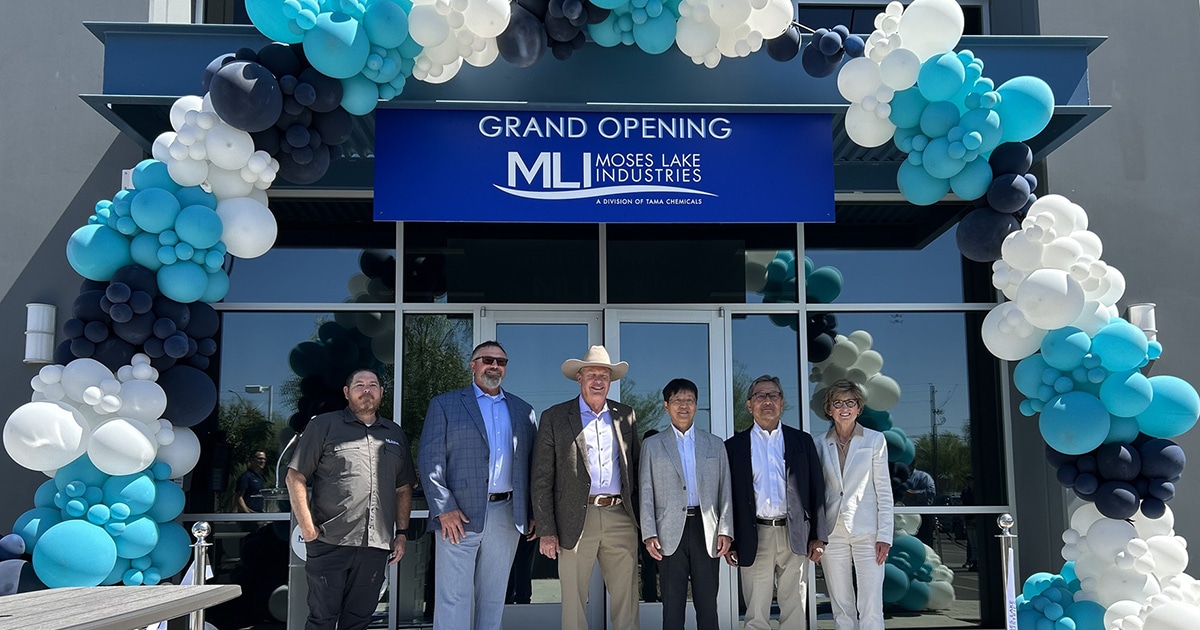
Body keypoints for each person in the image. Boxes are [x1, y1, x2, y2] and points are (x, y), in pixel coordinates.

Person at [418, 341, 537, 630]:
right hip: (458, 516)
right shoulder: (445, 404)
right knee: (453, 598)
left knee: (494, 597)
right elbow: (429, 460)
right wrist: (444, 508)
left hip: (507, 514)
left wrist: (534, 511)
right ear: (473, 365)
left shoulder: (524, 411)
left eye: (501, 362)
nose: (494, 366)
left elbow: (533, 466)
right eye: (487, 360)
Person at [286, 368, 416, 630]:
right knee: (322, 620)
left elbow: (403, 487)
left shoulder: (394, 433)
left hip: (376, 546)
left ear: (381, 393)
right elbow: (295, 477)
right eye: (359, 385)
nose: (366, 390)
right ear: (347, 392)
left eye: (373, 385)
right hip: (329, 541)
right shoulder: (323, 425)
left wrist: (401, 532)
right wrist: (309, 529)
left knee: (358, 621)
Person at [531, 345, 640, 630]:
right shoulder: (555, 417)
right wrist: (546, 529)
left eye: (604, 375)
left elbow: (636, 470)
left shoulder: (625, 415)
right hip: (574, 519)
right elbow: (542, 476)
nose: (598, 380)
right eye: (592, 374)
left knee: (626, 599)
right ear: (579, 378)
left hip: (620, 516)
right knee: (574, 600)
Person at [725, 375, 826, 630]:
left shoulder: (802, 442)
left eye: (773, 395)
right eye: (760, 395)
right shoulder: (734, 447)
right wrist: (731, 540)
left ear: (782, 403)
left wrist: (819, 536)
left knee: (794, 607)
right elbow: (727, 497)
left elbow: (816, 489)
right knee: (756, 611)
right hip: (754, 535)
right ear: (749, 404)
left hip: (795, 535)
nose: (767, 401)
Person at [640, 378, 733, 630]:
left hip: (706, 530)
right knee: (672, 605)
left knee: (707, 604)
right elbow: (646, 492)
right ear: (666, 406)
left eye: (689, 400)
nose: (684, 405)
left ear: (696, 405)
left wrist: (725, 529)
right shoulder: (652, 445)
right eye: (677, 400)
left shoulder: (714, 444)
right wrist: (649, 533)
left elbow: (725, 490)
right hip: (669, 531)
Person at [815, 379, 894, 630]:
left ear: (859, 408)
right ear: (829, 410)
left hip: (868, 533)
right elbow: (816, 493)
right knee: (841, 606)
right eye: (838, 403)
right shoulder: (818, 443)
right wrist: (816, 535)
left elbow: (884, 490)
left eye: (850, 402)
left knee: (871, 604)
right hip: (832, 532)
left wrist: (885, 535)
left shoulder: (874, 440)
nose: (844, 408)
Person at [904, 467, 936, 544]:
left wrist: (913, 494)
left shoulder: (923, 476)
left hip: (923, 516)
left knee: (924, 543)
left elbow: (931, 492)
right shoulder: (897, 476)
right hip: (903, 515)